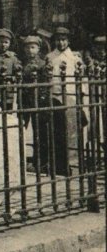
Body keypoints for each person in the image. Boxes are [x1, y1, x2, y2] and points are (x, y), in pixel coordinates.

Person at [46, 26, 85, 175]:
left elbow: (80, 79)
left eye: (63, 40)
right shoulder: (50, 57)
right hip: (55, 96)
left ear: (68, 41)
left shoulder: (75, 57)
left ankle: (72, 162)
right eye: (58, 40)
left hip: (70, 96)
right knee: (57, 131)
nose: (61, 43)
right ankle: (59, 164)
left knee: (71, 131)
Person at [21, 35, 50, 174]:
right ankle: (21, 159)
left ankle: (41, 161)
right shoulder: (21, 64)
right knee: (22, 128)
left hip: (39, 100)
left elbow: (45, 83)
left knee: (40, 130)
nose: (29, 50)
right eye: (27, 47)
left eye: (32, 47)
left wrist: (43, 96)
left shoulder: (43, 64)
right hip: (25, 100)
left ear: (38, 49)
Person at [0, 28, 22, 109]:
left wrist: (14, 77)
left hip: (8, 91)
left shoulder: (13, 58)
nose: (3, 45)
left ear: (10, 43)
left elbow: (18, 73)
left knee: (8, 111)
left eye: (6, 42)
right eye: (1, 42)